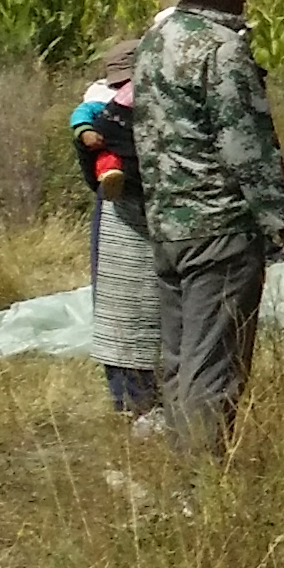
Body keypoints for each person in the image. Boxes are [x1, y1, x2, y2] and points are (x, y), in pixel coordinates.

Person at [130, 0, 284, 452]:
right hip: (218, 226)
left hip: (168, 225)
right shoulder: (220, 48)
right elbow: (243, 145)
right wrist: (283, 220)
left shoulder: (156, 40)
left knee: (183, 359)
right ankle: (203, 488)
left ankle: (184, 475)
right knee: (216, 365)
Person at [70, 37, 163, 419]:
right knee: (128, 310)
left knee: (131, 310)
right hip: (127, 210)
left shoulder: (127, 104)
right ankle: (135, 403)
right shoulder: (109, 106)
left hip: (128, 207)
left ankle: (136, 403)